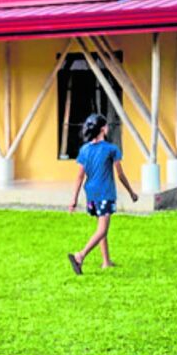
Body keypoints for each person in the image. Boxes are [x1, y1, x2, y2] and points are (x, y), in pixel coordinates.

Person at [67, 114, 139, 274]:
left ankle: (106, 262)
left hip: (91, 194)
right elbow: (120, 175)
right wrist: (132, 192)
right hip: (105, 193)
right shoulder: (111, 149)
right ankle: (80, 256)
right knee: (103, 230)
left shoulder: (84, 150)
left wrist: (74, 199)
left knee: (101, 225)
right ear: (103, 129)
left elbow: (79, 176)